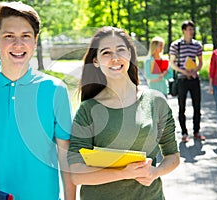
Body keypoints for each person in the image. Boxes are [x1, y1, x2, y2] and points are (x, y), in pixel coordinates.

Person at [0, 2, 76, 200]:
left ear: (35, 41)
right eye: (9, 36)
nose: (18, 45)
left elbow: (66, 156)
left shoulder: (55, 90)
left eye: (26, 36)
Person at [67, 26, 180, 200]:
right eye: (106, 53)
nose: (115, 58)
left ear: (130, 55)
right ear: (95, 61)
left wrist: (155, 172)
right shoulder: (88, 110)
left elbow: (172, 155)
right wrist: (124, 173)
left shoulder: (156, 101)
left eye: (120, 50)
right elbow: (76, 174)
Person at [169, 20, 205, 143]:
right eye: (189, 29)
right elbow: (172, 63)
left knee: (197, 106)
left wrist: (194, 70)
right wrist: (184, 72)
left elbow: (200, 62)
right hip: (182, 80)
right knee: (181, 107)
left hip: (194, 79)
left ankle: (196, 131)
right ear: (184, 30)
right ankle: (184, 133)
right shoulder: (176, 45)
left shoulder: (197, 45)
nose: (192, 32)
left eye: (193, 29)